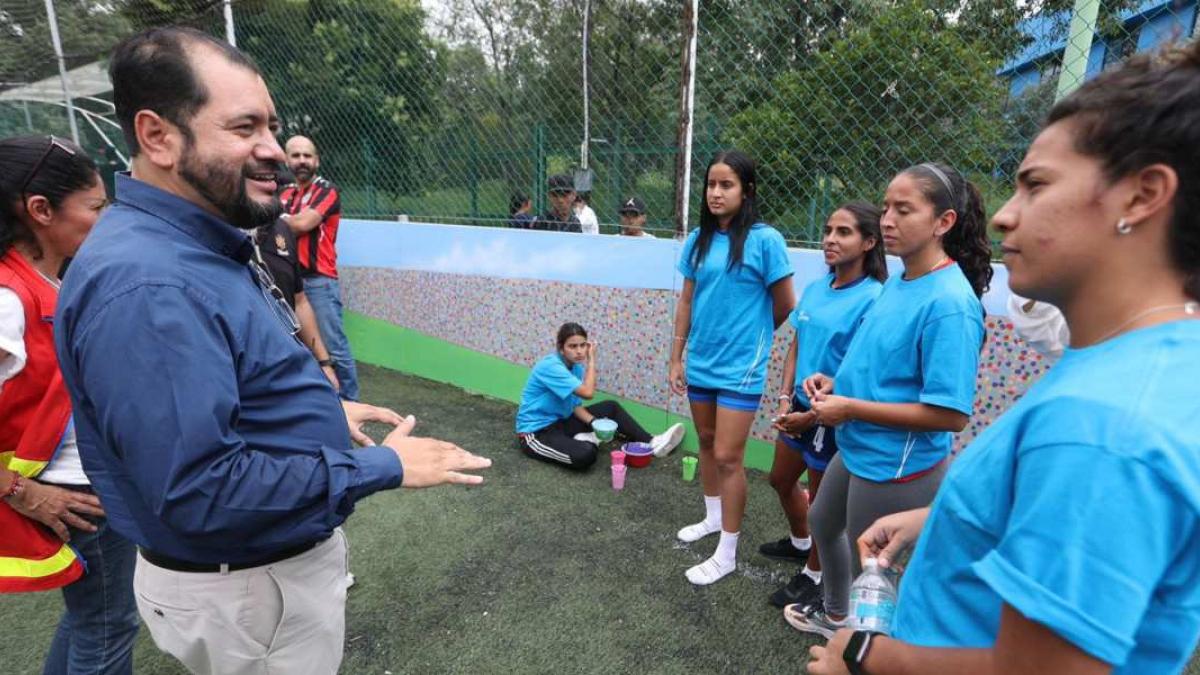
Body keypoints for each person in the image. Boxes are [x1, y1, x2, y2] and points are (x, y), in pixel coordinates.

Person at [54, 27, 490, 675]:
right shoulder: (148, 282)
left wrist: (319, 413)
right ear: (157, 136)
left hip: (255, 580)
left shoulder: (198, 242)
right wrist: (383, 467)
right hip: (247, 588)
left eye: (272, 126)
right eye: (244, 128)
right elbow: (201, 490)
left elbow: (221, 381)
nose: (274, 151)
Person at [807, 41, 1200, 675]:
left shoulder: (1105, 424)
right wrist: (938, 520)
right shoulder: (1134, 367)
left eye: (1036, 185)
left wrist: (865, 658)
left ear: (1142, 196)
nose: (1005, 218)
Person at [787, 161, 991, 637]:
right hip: (861, 444)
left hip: (895, 463)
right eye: (885, 208)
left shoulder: (950, 304)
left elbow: (951, 414)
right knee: (822, 519)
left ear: (944, 222)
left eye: (904, 210)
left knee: (872, 575)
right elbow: (880, 362)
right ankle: (837, 616)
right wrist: (836, 383)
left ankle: (862, 651)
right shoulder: (901, 280)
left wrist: (851, 408)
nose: (887, 220)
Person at [0, 135, 140, 673]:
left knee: (92, 617)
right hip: (73, 492)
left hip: (85, 482)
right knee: (107, 625)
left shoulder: (44, 280)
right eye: (95, 206)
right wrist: (22, 491)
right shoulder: (12, 298)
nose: (103, 219)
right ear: (41, 210)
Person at [669, 150, 796, 585]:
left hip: (741, 369)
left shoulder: (766, 241)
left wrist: (753, 342)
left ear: (747, 191)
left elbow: (785, 305)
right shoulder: (698, 241)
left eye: (727, 185)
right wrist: (675, 357)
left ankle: (727, 552)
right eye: (711, 185)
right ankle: (711, 517)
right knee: (705, 442)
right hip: (700, 362)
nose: (716, 193)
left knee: (728, 456)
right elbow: (687, 300)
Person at [761, 202, 887, 610]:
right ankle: (801, 544)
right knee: (779, 479)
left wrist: (812, 416)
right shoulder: (816, 288)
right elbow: (796, 345)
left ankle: (814, 575)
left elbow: (859, 373)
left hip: (830, 416)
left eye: (844, 232)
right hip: (796, 406)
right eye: (829, 229)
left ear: (868, 242)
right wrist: (784, 399)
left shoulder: (875, 299)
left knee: (822, 510)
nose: (830, 239)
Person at [517, 322, 684, 470]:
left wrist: (595, 423)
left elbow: (575, 406)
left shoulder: (575, 368)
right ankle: (587, 441)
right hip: (536, 433)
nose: (580, 351)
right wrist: (592, 361)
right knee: (585, 455)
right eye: (573, 346)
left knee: (610, 407)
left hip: (562, 423)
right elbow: (588, 393)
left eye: (583, 345)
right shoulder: (551, 366)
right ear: (561, 348)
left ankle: (652, 442)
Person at [279, 135, 361, 401]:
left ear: (316, 160)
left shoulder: (326, 190)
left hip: (319, 281)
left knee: (333, 348)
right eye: (295, 155)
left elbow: (303, 224)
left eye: (307, 155)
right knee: (298, 346)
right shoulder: (287, 193)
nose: (301, 160)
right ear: (287, 159)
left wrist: (271, 219)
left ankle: (351, 403)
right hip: (289, 280)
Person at [255, 216, 339, 390]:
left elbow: (299, 301)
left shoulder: (282, 228)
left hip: (286, 360)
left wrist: (324, 363)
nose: (272, 186)